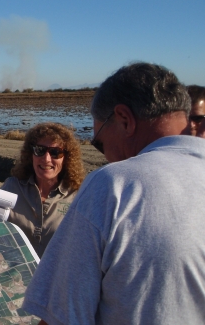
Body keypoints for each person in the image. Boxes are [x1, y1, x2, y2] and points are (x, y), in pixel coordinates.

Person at [22, 62, 205, 324]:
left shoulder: (113, 185)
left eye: (99, 143)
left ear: (124, 119)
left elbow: (61, 317)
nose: (106, 155)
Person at [1, 123, 85, 258]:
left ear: (67, 157)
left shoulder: (77, 197)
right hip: (16, 273)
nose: (46, 159)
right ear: (30, 154)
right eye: (40, 150)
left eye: (55, 152)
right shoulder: (12, 187)